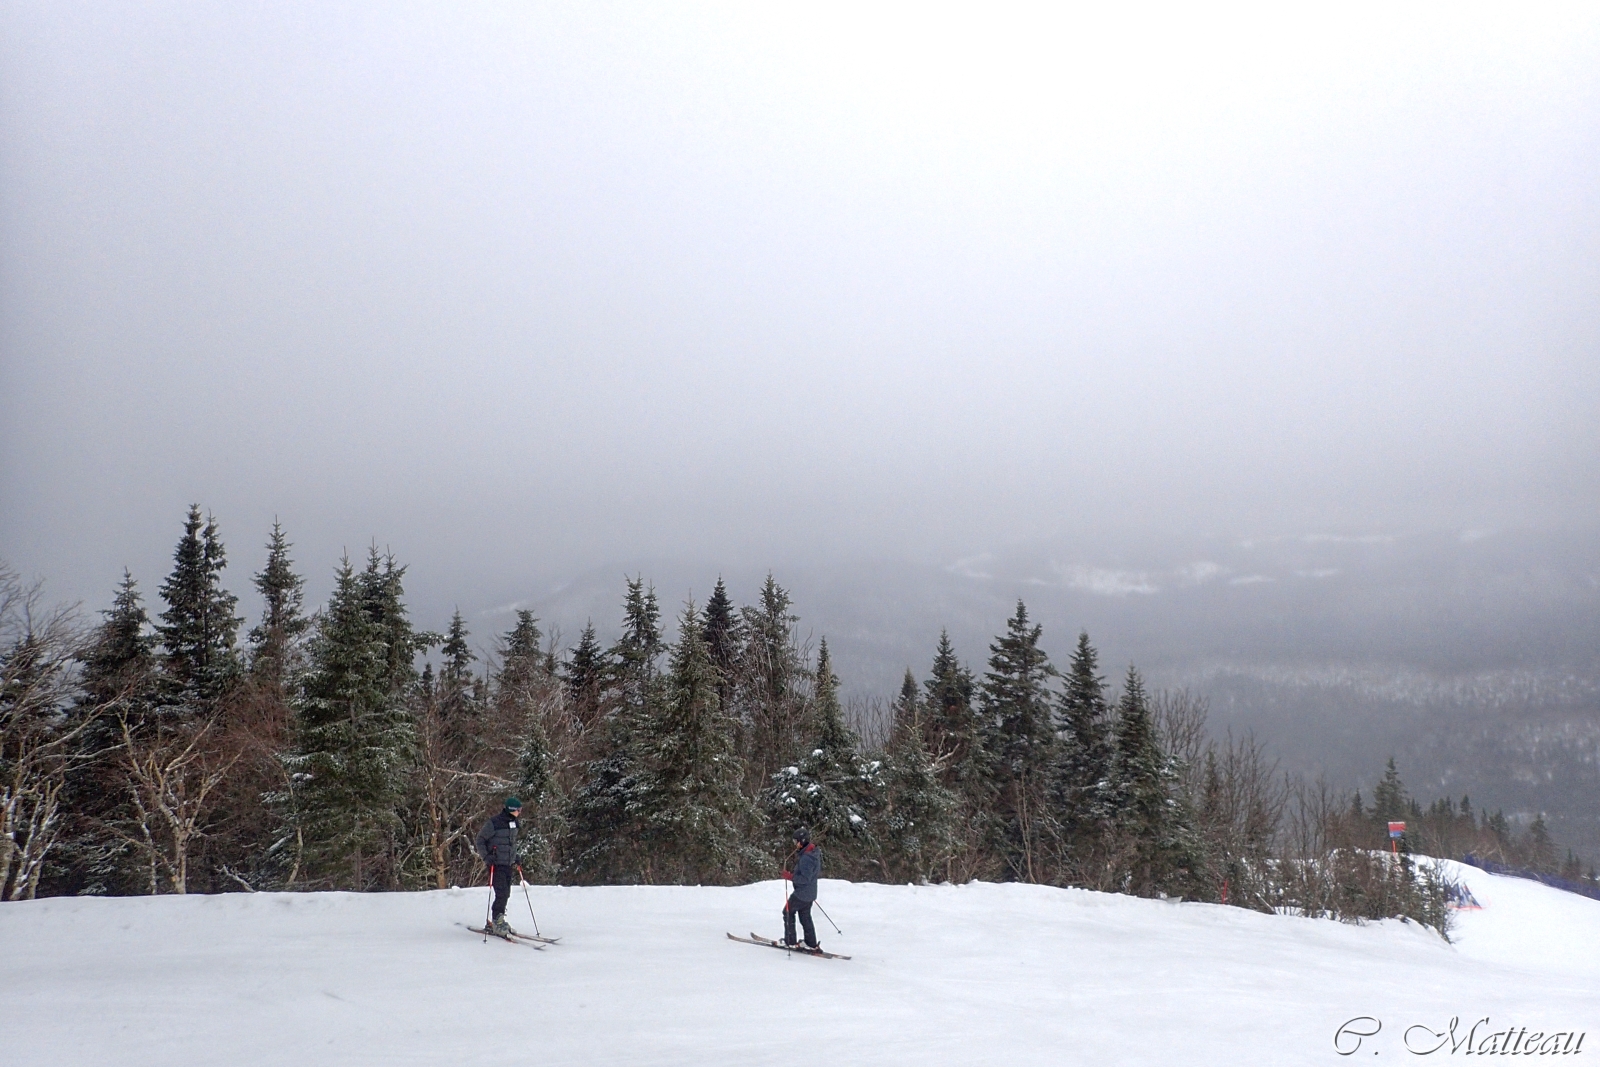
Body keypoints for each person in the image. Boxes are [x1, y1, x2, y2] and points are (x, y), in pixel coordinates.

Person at [475, 797, 522, 936]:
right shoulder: (494, 823)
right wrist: (486, 856)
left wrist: (515, 856)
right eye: (518, 810)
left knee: (506, 893)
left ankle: (500, 919)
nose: (520, 812)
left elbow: (511, 844)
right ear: (512, 810)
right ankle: (497, 921)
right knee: (501, 892)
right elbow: (480, 840)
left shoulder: (514, 823)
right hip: (496, 864)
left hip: (507, 863)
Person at [781, 825, 821, 952]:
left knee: (787, 912)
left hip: (802, 893)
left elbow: (805, 879)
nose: (795, 845)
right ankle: (811, 943)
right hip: (810, 893)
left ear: (802, 841)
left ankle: (790, 941)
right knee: (805, 916)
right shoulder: (812, 853)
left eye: (796, 842)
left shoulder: (807, 858)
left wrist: (790, 877)